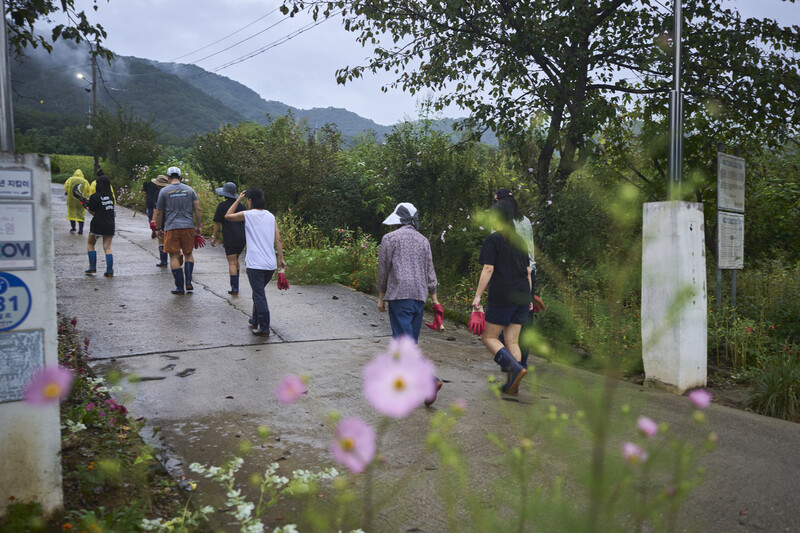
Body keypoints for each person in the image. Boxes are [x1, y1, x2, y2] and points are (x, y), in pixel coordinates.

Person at [376, 202, 443, 406]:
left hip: (399, 296)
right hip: (419, 297)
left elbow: (383, 269)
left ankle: (431, 381)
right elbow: (430, 270)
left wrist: (380, 297)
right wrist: (435, 299)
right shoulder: (424, 241)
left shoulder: (390, 238)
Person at [471, 201, 532, 396]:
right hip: (522, 295)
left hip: (503, 295)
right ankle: (513, 383)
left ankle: (513, 368)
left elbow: (488, 268)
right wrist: (529, 297)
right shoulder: (520, 241)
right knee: (512, 341)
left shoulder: (493, 240)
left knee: (488, 337)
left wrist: (478, 296)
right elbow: (528, 272)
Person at [225, 187, 285, 337]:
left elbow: (228, 216)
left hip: (255, 264)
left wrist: (238, 199)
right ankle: (255, 319)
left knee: (259, 294)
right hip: (270, 264)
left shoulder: (248, 215)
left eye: (246, 199)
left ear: (250, 201)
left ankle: (264, 327)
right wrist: (281, 259)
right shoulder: (271, 216)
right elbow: (278, 239)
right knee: (258, 292)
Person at [494, 188, 536, 369]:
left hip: (507, 275)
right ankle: (522, 363)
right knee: (524, 322)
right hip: (528, 273)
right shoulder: (525, 221)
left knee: (502, 319)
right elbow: (531, 250)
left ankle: (509, 363)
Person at [154, 167, 202, 294]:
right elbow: (197, 209)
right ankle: (188, 282)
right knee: (188, 254)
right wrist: (199, 226)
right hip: (188, 226)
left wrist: (158, 228)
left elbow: (159, 212)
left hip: (171, 227)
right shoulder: (190, 190)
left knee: (174, 256)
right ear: (180, 178)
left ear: (168, 178)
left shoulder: (164, 191)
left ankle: (180, 287)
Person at [211, 182, 247, 295]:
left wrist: (213, 236)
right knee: (236, 260)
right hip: (242, 237)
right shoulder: (241, 206)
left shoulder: (222, 206)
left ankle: (234, 288)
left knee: (231, 262)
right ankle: (236, 285)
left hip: (230, 237)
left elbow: (217, 223)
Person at [84, 175, 116, 277]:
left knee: (90, 244)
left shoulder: (95, 196)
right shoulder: (111, 197)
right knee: (107, 247)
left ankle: (92, 268)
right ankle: (109, 270)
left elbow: (93, 211)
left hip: (97, 224)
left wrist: (86, 206)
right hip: (110, 224)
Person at [149, 175, 170, 267]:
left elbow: (156, 209)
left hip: (161, 218)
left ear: (158, 185)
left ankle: (164, 261)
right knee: (171, 238)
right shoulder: (170, 192)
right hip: (171, 217)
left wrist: (153, 221)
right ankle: (179, 253)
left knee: (161, 240)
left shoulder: (158, 193)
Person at [64, 169, 89, 234]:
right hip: (80, 201)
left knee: (72, 213)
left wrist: (68, 192)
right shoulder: (85, 181)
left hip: (71, 200)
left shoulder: (70, 179)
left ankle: (73, 228)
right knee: (81, 215)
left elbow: (66, 187)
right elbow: (88, 189)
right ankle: (80, 230)